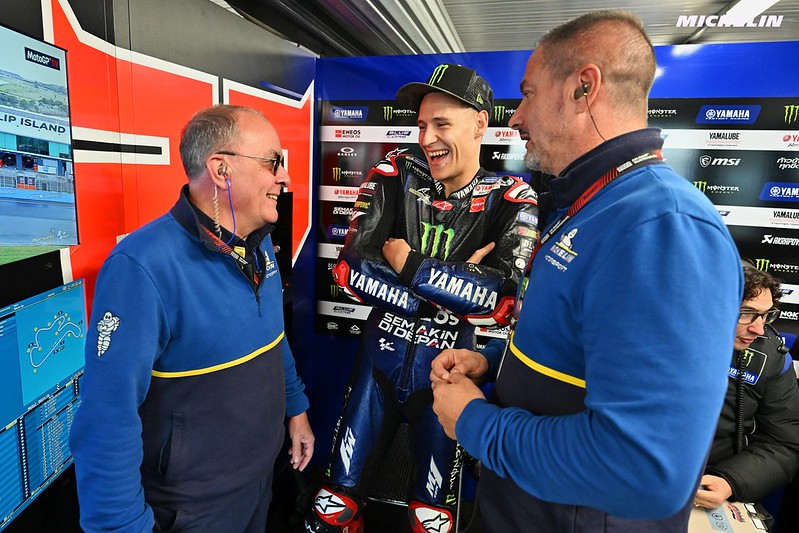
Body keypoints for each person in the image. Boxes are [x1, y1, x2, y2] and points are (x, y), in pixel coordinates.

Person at [430, 10, 743, 532]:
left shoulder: (663, 226)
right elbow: (581, 348)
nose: (516, 118)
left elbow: (644, 470)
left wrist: (476, 423)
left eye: (528, 94)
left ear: (583, 88)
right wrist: (494, 364)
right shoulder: (594, 204)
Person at [306, 64, 538, 533]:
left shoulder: (514, 197)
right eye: (421, 125)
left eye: (441, 124)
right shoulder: (395, 171)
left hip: (448, 380)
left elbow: (501, 302)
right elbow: (350, 268)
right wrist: (450, 289)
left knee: (433, 519)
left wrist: (410, 266)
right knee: (332, 507)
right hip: (377, 368)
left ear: (480, 124)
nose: (427, 138)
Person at [69, 105, 314, 532]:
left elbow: (273, 338)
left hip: (259, 484)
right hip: (193, 511)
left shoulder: (258, 245)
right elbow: (106, 417)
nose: (285, 178)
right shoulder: (141, 267)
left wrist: (296, 409)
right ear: (221, 169)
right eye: (273, 162)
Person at [696, 262, 799, 509]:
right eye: (746, 313)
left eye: (765, 315)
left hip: (712, 483)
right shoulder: (651, 337)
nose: (758, 329)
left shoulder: (772, 356)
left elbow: (783, 444)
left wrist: (729, 481)